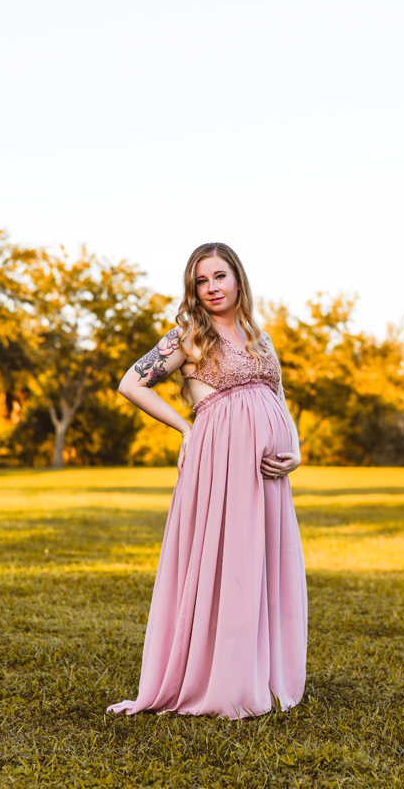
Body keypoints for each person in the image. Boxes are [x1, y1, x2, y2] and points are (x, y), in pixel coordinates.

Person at [107, 242, 308, 720]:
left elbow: (278, 396)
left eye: (219, 276)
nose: (211, 288)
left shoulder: (260, 337)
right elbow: (131, 383)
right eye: (201, 280)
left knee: (261, 565)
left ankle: (259, 672)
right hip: (220, 460)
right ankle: (217, 680)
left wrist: (294, 448)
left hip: (269, 473)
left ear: (238, 279)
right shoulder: (189, 336)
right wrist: (187, 428)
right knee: (228, 564)